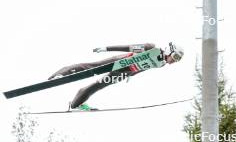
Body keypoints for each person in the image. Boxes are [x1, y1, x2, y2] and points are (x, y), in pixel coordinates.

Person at [48, 42, 184, 110]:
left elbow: (143, 68)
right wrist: (107, 48)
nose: (174, 61)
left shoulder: (161, 64)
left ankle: (76, 103)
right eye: (175, 57)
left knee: (98, 85)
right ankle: (60, 74)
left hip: (124, 72)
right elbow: (129, 48)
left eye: (177, 60)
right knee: (91, 67)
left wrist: (131, 74)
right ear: (170, 50)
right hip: (120, 61)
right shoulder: (151, 48)